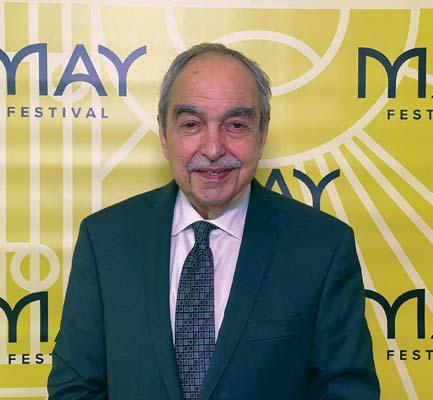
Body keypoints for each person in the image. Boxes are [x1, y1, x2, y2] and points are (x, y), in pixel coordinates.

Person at [47, 43, 379, 399]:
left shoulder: (323, 248)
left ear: (262, 135)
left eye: (236, 125)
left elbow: (347, 393)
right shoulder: (105, 241)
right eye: (191, 124)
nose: (213, 149)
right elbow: (75, 389)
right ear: (164, 135)